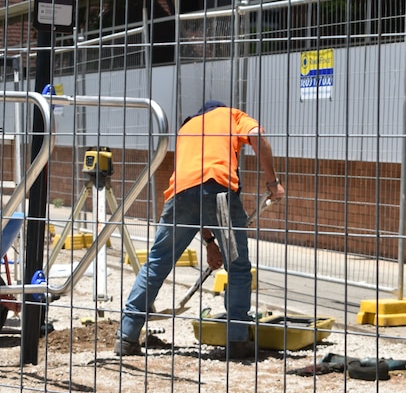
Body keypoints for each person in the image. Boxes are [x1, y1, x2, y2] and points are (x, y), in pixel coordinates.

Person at [115, 101, 285, 360]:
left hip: (180, 196)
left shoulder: (188, 127)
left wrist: (209, 243)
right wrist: (273, 182)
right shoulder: (232, 115)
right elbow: (257, 136)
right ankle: (237, 340)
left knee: (156, 265)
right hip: (218, 193)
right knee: (237, 267)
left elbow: (196, 190)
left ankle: (126, 337)